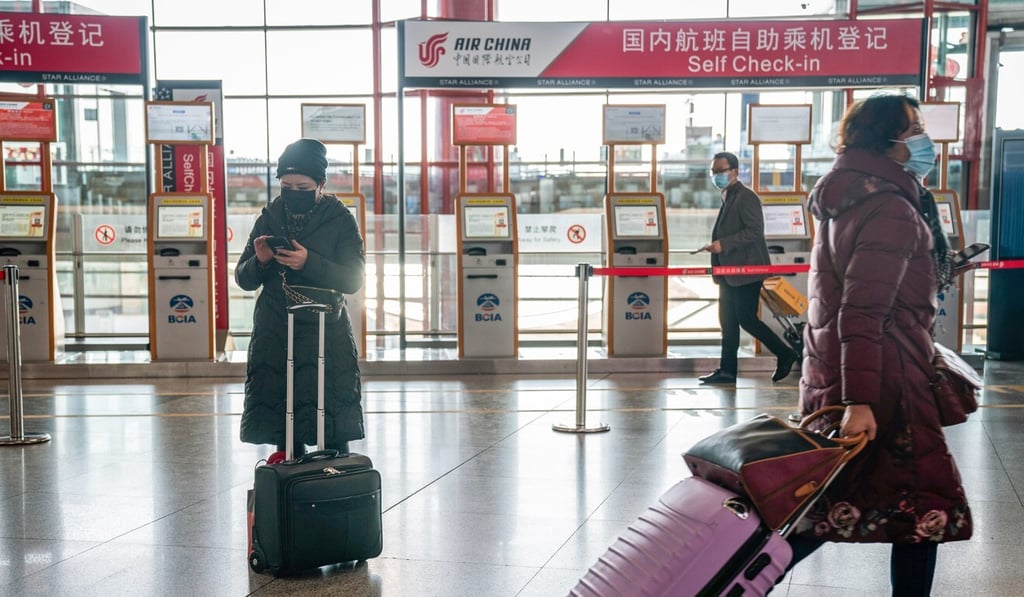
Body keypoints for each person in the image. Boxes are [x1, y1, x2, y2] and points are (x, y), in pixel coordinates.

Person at [788, 94, 971, 595]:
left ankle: (733, 577)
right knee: (919, 507)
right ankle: (733, 578)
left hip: (852, 369)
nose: (924, 141)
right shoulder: (890, 207)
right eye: (914, 130)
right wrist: (860, 401)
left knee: (850, 501)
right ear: (885, 139)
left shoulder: (850, 195)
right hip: (888, 381)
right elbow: (863, 311)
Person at [235, 138, 366, 461]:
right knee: (285, 429)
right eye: (286, 186)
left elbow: (354, 279)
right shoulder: (269, 217)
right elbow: (243, 278)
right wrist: (260, 260)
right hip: (277, 333)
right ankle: (290, 487)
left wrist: (308, 262)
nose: (293, 192)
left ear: (321, 185)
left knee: (332, 428)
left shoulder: (340, 219)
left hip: (325, 335)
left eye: (302, 187)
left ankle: (333, 484)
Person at [696, 151, 800, 385]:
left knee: (746, 319)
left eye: (720, 171)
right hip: (729, 272)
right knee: (728, 322)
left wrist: (723, 244)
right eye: (713, 171)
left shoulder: (746, 197)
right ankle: (727, 371)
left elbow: (754, 231)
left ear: (734, 171)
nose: (716, 175)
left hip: (747, 271)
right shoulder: (728, 196)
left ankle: (785, 353)